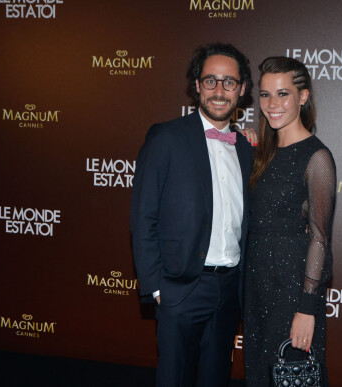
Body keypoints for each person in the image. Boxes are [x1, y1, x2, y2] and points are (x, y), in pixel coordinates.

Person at [130, 43, 254, 387]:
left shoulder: (246, 148)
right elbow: (144, 217)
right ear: (196, 86)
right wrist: (156, 288)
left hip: (229, 290)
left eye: (229, 82)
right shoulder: (166, 138)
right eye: (210, 80)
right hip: (181, 289)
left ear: (242, 90)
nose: (219, 90)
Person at [243, 56, 336, 386]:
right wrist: (241, 139)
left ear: (304, 96)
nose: (272, 104)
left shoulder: (317, 157)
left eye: (283, 94)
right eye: (265, 95)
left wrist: (307, 308)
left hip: (292, 289)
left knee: (291, 375)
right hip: (255, 284)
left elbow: (320, 238)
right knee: (259, 374)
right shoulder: (259, 151)